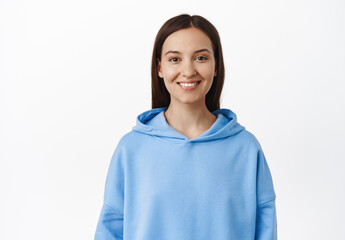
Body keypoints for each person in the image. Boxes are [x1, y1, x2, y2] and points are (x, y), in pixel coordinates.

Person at [94, 13, 277, 240]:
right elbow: (110, 231)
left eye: (200, 58)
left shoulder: (246, 148)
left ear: (216, 66)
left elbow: (265, 230)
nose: (188, 71)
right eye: (174, 59)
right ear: (159, 68)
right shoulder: (131, 149)